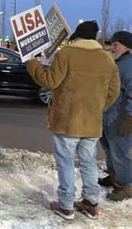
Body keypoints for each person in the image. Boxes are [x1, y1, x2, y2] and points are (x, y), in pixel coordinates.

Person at [26, 20, 120, 220]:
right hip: (92, 122)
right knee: (89, 162)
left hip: (67, 121)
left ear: (77, 37)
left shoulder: (66, 54)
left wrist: (32, 63)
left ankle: (66, 205)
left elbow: (50, 81)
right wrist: (98, 107)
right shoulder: (107, 59)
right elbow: (114, 91)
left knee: (66, 162)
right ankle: (91, 203)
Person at [99, 30, 132, 201]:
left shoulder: (129, 65)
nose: (113, 46)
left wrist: (129, 117)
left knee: (120, 153)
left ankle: (125, 185)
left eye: (116, 44)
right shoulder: (116, 62)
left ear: (126, 46)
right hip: (107, 117)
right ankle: (114, 177)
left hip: (120, 120)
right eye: (112, 43)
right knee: (109, 150)